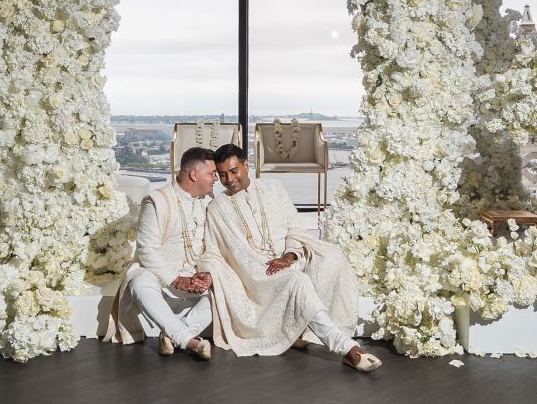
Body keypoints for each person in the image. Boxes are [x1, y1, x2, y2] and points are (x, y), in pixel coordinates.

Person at [204, 142, 378, 372]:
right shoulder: (217, 208)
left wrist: (289, 256)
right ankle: (346, 348)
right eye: (222, 175)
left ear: (247, 165)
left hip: (290, 256)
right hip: (259, 274)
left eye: (234, 171)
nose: (229, 179)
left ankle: (302, 331)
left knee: (332, 258)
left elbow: (295, 229)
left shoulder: (274, 189)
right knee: (298, 281)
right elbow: (223, 252)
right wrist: (264, 267)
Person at [104, 147, 218, 359]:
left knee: (227, 290)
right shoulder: (156, 200)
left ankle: (172, 334)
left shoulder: (209, 202)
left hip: (193, 274)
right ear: (194, 174)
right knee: (139, 282)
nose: (216, 179)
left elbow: (213, 247)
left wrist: (206, 273)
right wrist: (176, 280)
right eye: (212, 174)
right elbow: (146, 251)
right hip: (158, 276)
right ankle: (191, 342)